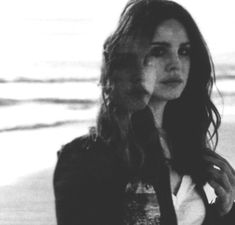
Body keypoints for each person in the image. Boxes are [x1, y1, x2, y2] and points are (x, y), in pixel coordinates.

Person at [53, 0, 235, 224]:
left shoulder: (191, 152)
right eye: (158, 51)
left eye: (184, 51)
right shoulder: (85, 160)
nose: (175, 64)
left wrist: (225, 212)